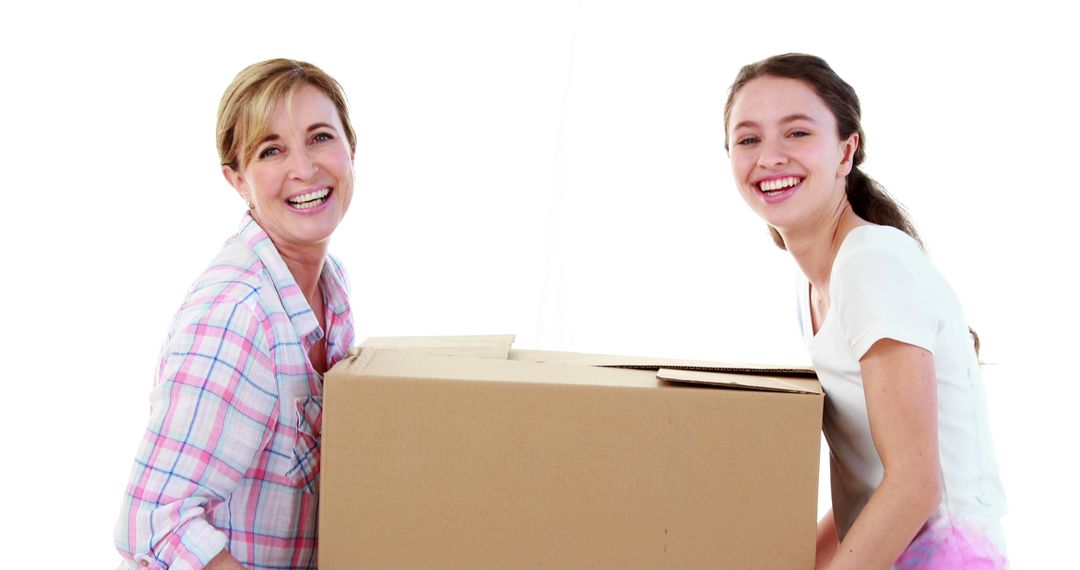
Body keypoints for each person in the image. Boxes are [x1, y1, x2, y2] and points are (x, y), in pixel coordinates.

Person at [724, 53, 1007, 569]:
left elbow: (915, 486)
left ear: (845, 150)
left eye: (797, 133)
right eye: (748, 140)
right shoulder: (811, 286)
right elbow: (867, 489)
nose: (769, 157)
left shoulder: (871, 263)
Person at [114, 59, 357, 569]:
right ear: (238, 180)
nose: (305, 169)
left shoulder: (329, 285)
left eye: (319, 137)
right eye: (272, 150)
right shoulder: (238, 313)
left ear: (350, 149)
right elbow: (153, 520)